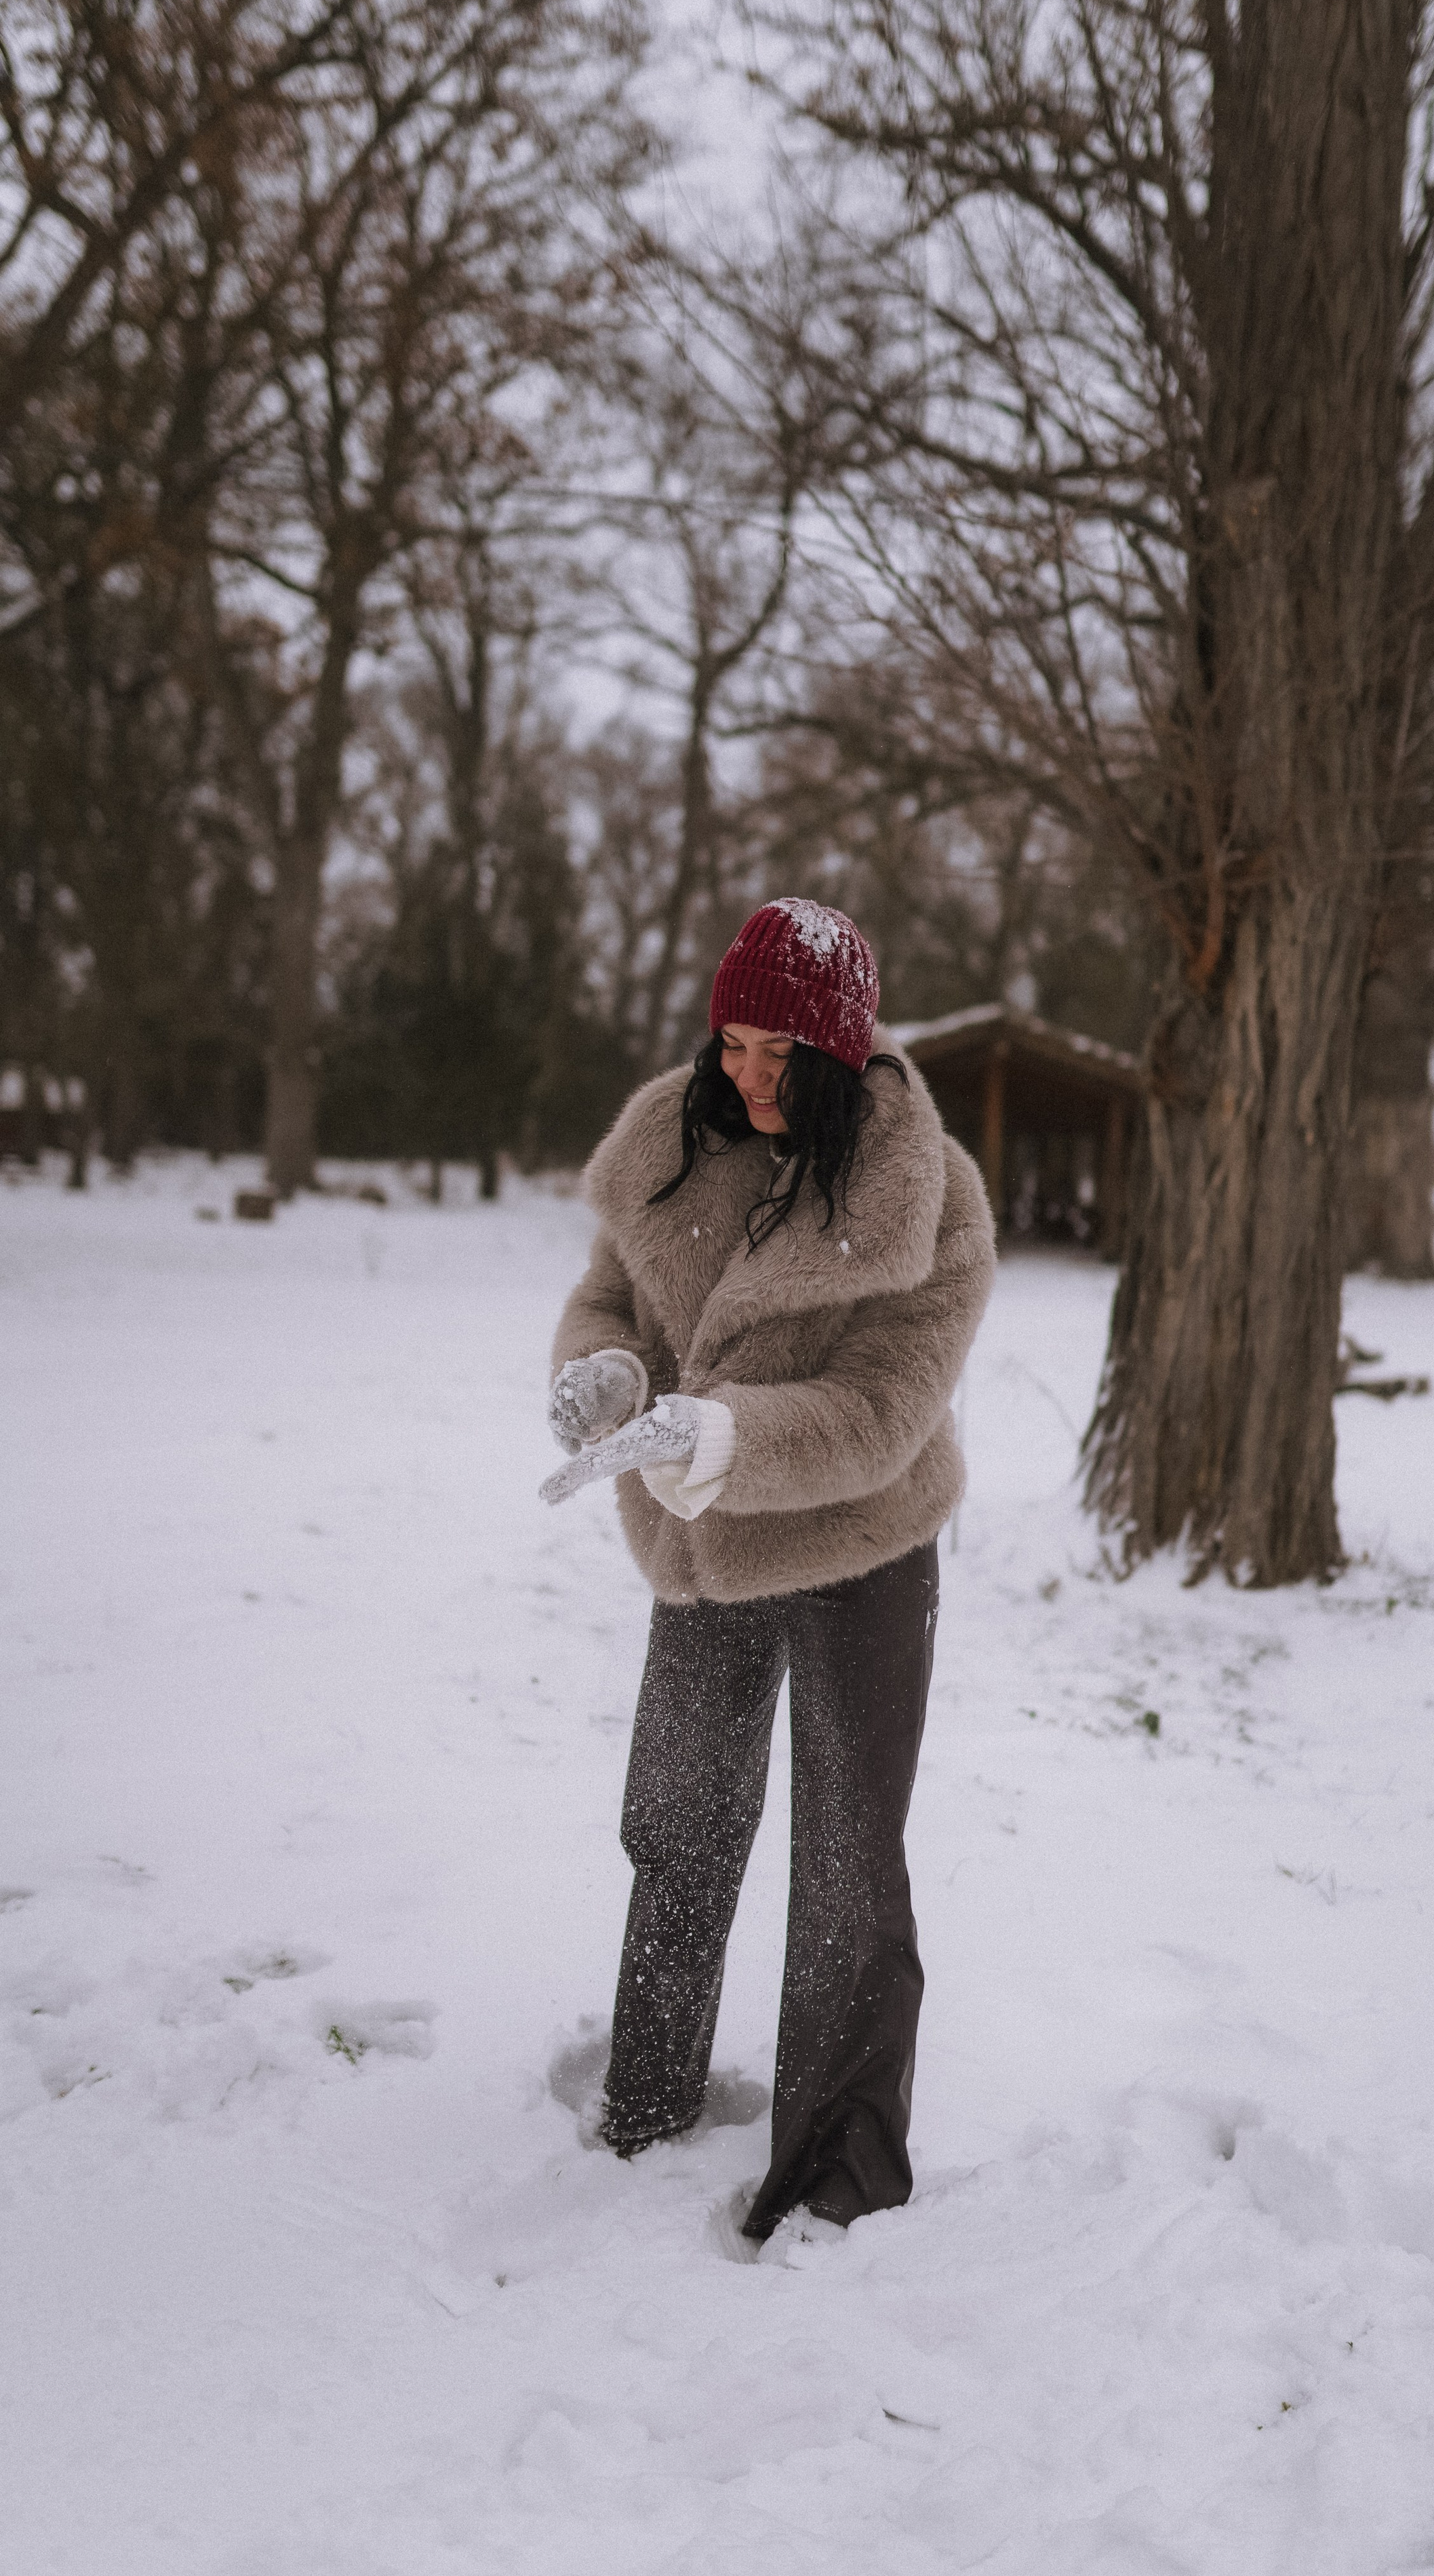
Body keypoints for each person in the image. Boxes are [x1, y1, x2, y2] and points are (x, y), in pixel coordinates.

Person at [542, 898, 996, 2246]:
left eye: (775, 1052)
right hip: (705, 1546)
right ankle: (646, 2098)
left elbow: (881, 1411)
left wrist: (731, 1438)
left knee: (848, 1865)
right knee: (676, 1821)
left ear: (842, 1056)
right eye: (728, 1044)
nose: (743, 1075)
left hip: (861, 1541)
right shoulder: (672, 1148)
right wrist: (605, 1375)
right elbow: (607, 1301)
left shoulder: (929, 1199)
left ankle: (838, 2175)